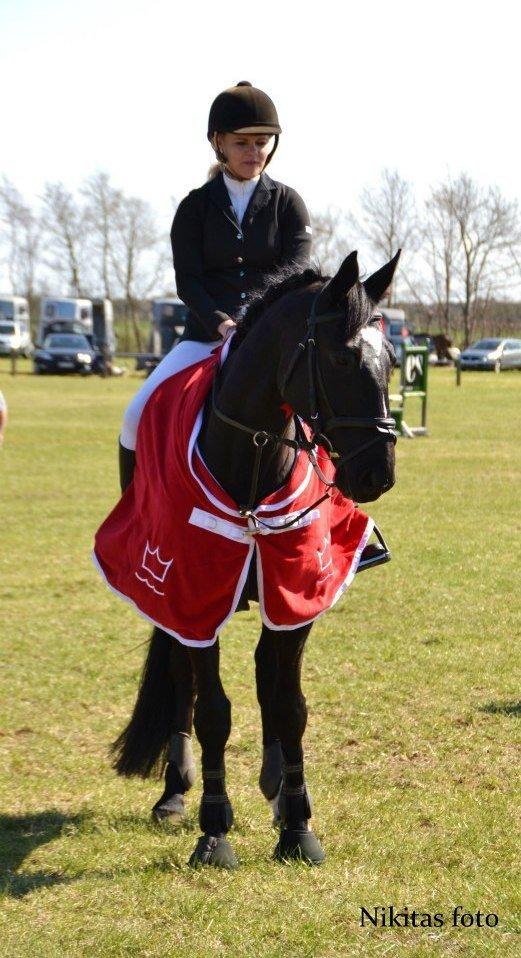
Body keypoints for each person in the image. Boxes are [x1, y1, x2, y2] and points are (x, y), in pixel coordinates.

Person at [119, 80, 312, 469]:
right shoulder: (194, 208)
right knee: (135, 417)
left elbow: (296, 277)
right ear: (218, 143)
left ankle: (332, 518)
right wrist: (223, 324)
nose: (253, 152)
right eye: (242, 143)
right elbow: (188, 282)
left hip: (271, 345)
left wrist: (258, 329)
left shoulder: (289, 205)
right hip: (206, 337)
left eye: (261, 142)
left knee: (325, 422)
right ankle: (136, 521)